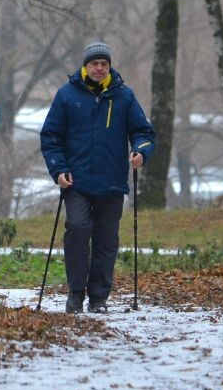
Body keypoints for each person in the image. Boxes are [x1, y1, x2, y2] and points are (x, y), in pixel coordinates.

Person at [40, 41, 155, 313]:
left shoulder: (124, 96)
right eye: (94, 63)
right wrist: (58, 169)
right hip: (76, 181)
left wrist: (141, 152)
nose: (99, 68)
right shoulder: (66, 95)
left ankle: (99, 297)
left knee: (106, 240)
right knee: (77, 229)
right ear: (85, 65)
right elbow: (50, 137)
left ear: (109, 66)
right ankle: (76, 293)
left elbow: (143, 132)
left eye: (104, 64)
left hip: (112, 182)